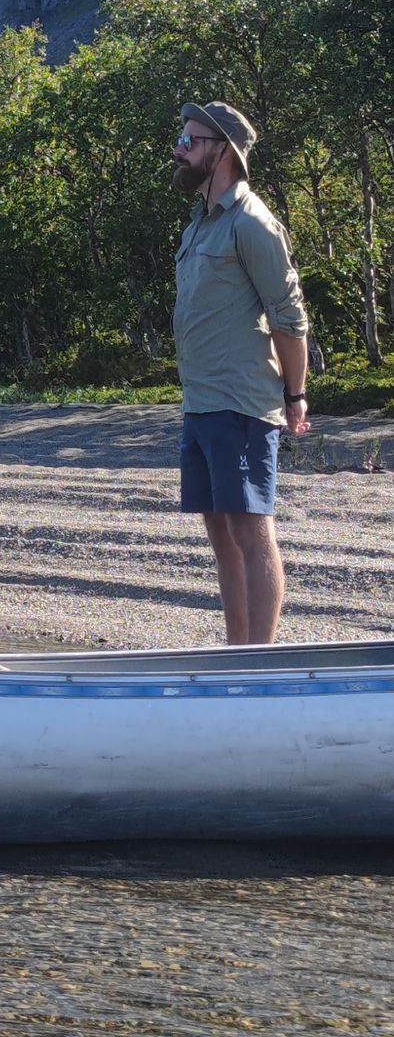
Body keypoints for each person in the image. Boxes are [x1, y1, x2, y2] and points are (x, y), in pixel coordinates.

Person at [171, 101, 310, 644]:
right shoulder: (201, 224)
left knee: (251, 531)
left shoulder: (252, 222)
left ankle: (260, 662)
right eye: (181, 139)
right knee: (222, 535)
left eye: (190, 141)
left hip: (243, 403)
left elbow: (289, 317)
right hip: (201, 403)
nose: (179, 150)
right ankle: (236, 657)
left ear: (223, 150)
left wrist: (295, 394)